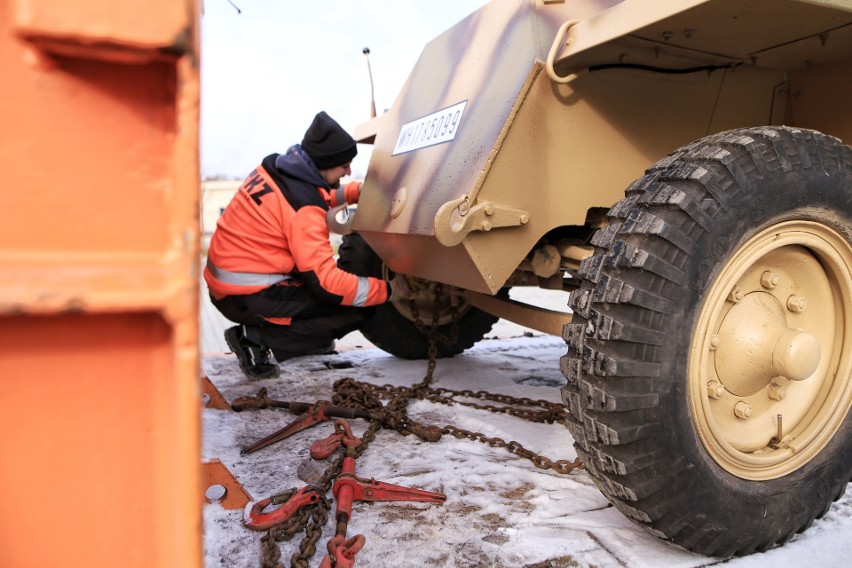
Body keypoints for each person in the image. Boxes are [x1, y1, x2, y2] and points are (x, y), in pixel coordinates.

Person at [205, 111, 402, 379]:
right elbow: (327, 285)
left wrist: (357, 191)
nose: (348, 170)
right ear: (326, 162)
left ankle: (304, 340)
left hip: (228, 286)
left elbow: (318, 194)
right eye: (345, 164)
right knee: (359, 307)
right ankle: (254, 337)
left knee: (329, 299)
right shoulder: (304, 210)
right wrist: (390, 290)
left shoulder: (278, 169)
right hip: (246, 296)